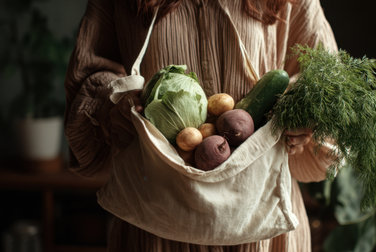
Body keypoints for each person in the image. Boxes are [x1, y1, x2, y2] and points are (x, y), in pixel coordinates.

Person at [64, 0, 338, 251]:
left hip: (260, 219)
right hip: (158, 217)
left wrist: (303, 114)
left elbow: (326, 74)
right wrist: (116, 103)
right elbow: (86, 74)